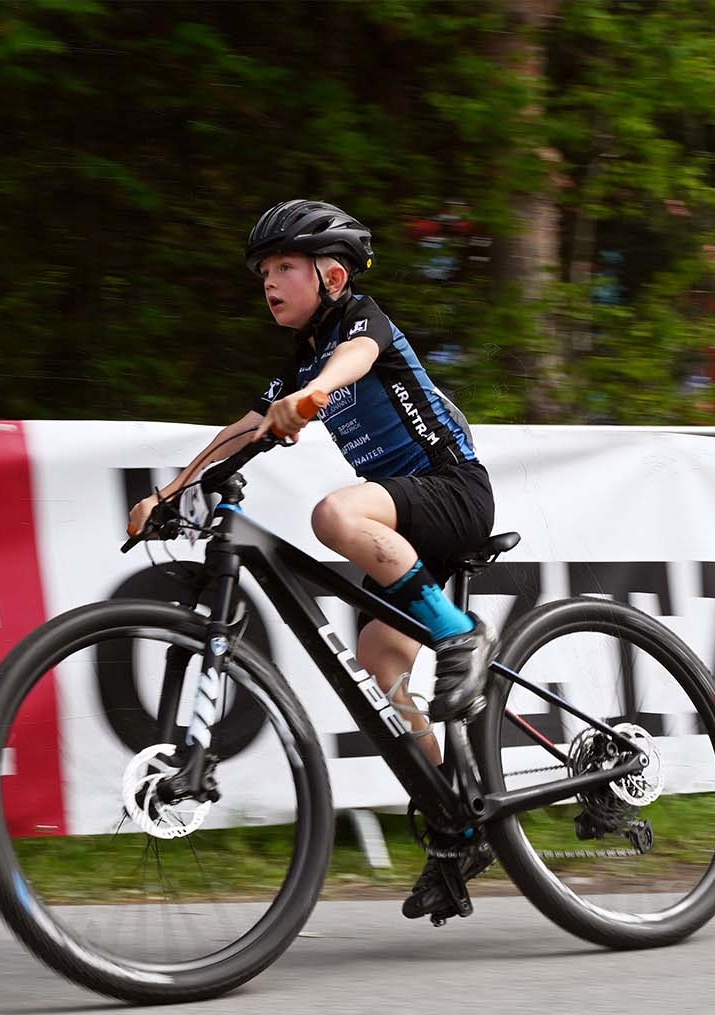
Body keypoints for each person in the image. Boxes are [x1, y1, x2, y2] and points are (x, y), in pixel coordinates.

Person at [125, 199, 496, 915]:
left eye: (284, 267)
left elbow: (356, 361)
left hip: (452, 492)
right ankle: (460, 820)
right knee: (380, 658)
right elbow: (246, 428)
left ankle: (460, 636)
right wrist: (170, 493)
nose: (269, 281)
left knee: (334, 514)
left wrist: (317, 392)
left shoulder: (360, 323)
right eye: (263, 271)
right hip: (405, 522)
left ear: (332, 276)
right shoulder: (303, 356)